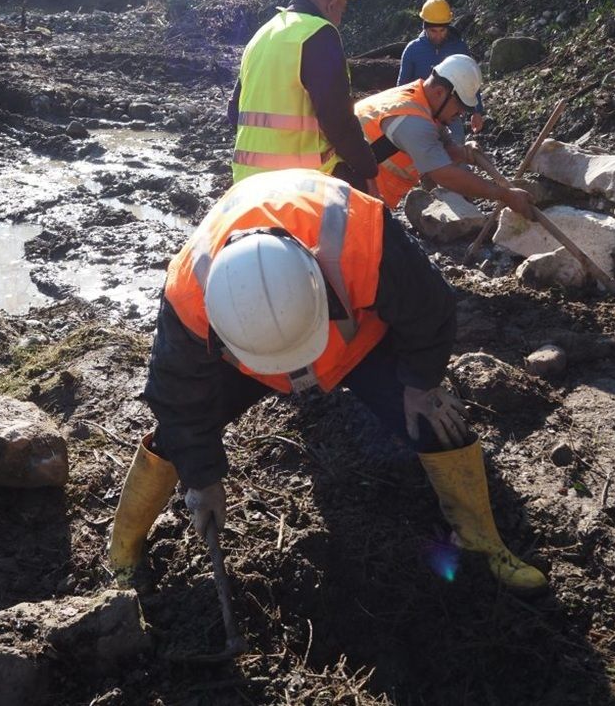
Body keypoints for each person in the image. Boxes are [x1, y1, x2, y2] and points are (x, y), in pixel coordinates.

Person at [108, 169, 547, 595]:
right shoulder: (188, 298)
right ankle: (124, 553)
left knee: (437, 419)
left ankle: (482, 540)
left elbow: (429, 309)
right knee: (177, 437)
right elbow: (176, 397)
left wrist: (419, 382)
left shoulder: (363, 238)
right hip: (247, 361)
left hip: (358, 343)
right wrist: (201, 478)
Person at [228, 0, 379, 194]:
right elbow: (338, 122)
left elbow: (234, 112)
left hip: (245, 184)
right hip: (300, 185)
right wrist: (368, 171)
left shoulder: (262, 35)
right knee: (376, 224)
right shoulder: (319, 33)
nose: (340, 19)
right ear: (332, 3)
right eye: (343, 8)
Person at [356, 54, 535, 216]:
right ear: (440, 92)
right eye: (460, 107)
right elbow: (445, 175)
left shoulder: (420, 101)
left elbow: (439, 149)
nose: (461, 115)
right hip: (347, 197)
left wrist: (462, 153)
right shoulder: (413, 121)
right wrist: (505, 195)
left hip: (361, 195)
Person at [398, 0, 485, 139]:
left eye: (442, 31)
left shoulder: (458, 47)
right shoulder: (412, 50)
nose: (438, 36)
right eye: (433, 31)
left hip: (451, 113)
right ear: (424, 26)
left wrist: (477, 112)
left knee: (457, 148)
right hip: (421, 113)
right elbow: (401, 87)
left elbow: (470, 80)